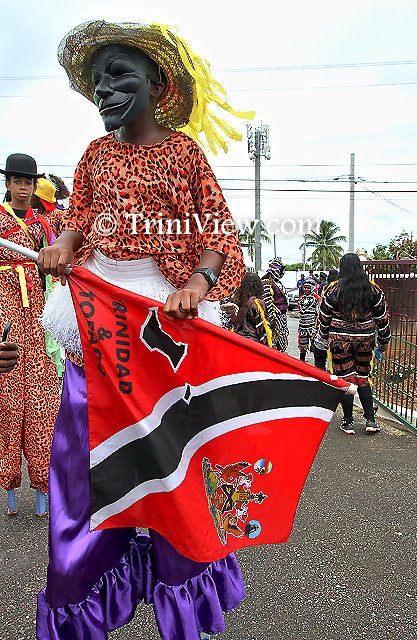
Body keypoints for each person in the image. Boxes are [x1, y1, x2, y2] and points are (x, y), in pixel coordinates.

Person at [36, 19, 253, 640]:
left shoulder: (185, 154)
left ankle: (182, 610)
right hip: (97, 323)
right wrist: (62, 245)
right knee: (84, 464)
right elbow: (78, 221)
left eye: (119, 75)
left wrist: (197, 287)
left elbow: (217, 233)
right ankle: (79, 598)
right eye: (96, 82)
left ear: (157, 85)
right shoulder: (93, 156)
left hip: (163, 329)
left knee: (170, 470)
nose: (104, 90)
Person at [0, 153, 60, 517]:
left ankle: (41, 487)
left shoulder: (44, 224)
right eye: (18, 181)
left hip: (37, 309)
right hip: (5, 305)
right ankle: (9, 488)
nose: (23, 188)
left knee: (42, 399)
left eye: (28, 182)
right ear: (7, 184)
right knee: (8, 397)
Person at [318, 253, 391, 434]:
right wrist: (384, 340)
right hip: (365, 341)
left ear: (342, 268)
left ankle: (348, 422)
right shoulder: (373, 289)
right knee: (363, 378)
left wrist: (323, 337)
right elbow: (382, 317)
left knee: (346, 380)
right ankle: (370, 420)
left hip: (340, 342)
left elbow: (324, 317)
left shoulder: (333, 289)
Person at [223, 273, 272, 346]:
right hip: (251, 343)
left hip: (236, 340)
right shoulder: (257, 303)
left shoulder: (235, 301)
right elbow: (261, 328)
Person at [311, 269, 338, 370]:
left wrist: (315, 332)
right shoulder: (342, 291)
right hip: (338, 335)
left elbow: (320, 314)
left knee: (320, 364)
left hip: (326, 333)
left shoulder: (327, 290)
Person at [261, 257, 288, 351]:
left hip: (280, 319)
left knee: (280, 345)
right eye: (281, 270)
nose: (282, 273)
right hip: (274, 321)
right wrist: (272, 320)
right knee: (273, 346)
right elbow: (267, 302)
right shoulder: (267, 282)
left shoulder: (276, 282)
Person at [297, 282, 320, 361]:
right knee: (302, 346)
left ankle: (317, 364)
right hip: (302, 326)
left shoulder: (316, 298)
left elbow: (318, 314)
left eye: (308, 288)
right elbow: (300, 311)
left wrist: (315, 327)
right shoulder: (301, 298)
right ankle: (301, 363)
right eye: (305, 288)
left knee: (315, 346)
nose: (306, 289)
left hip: (312, 326)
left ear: (312, 288)